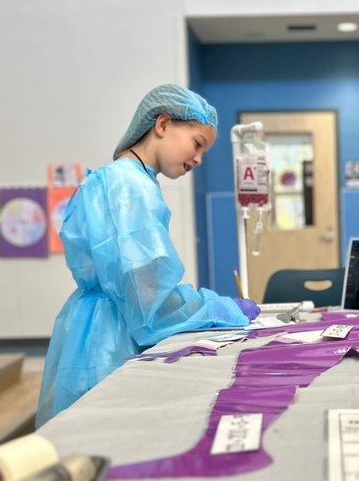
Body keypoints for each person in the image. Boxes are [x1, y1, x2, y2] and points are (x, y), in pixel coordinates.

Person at [37, 85, 260, 426]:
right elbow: (149, 305)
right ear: (163, 124)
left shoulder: (118, 179)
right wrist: (220, 309)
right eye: (197, 144)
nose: (199, 159)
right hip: (112, 335)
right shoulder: (129, 186)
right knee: (112, 433)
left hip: (90, 326)